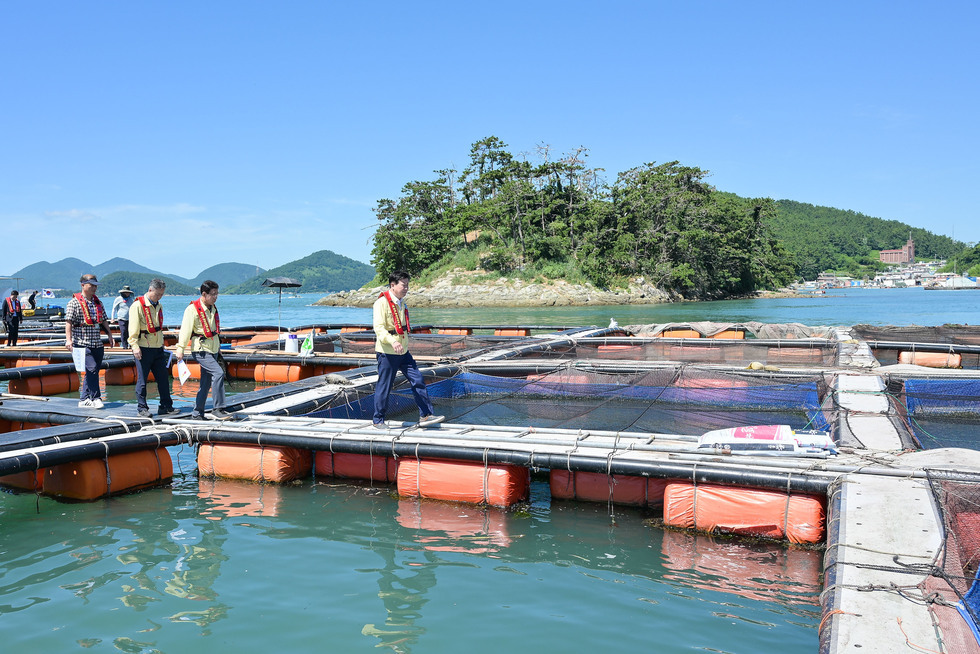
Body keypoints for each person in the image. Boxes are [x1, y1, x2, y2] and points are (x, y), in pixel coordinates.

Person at [372, 270, 444, 428]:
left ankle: (426, 415)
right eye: (403, 285)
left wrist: (401, 344)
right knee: (384, 385)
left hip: (403, 352)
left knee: (417, 379)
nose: (406, 288)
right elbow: (379, 328)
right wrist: (392, 342)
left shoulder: (401, 302)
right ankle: (378, 420)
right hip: (387, 352)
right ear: (393, 285)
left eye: (407, 285)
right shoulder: (381, 303)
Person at [175, 280, 230, 420]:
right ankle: (218, 408)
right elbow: (185, 330)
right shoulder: (192, 309)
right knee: (218, 373)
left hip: (212, 349)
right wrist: (180, 349)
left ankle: (197, 413)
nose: (215, 297)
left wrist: (218, 348)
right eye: (213, 294)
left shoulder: (213, 307)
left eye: (217, 294)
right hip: (200, 349)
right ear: (204, 294)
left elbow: (214, 331)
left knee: (205, 383)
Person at [129, 279, 180, 418]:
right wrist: (134, 346)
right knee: (142, 380)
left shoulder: (159, 305)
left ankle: (166, 406)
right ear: (150, 290)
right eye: (157, 294)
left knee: (163, 378)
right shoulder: (137, 306)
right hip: (143, 348)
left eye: (161, 295)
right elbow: (132, 329)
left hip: (158, 347)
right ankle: (142, 408)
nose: (159, 297)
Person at [65, 274, 115, 409]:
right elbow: (68, 322)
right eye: (91, 285)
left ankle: (84, 399)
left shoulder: (98, 302)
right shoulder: (74, 303)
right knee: (91, 368)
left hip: (97, 342)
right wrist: (68, 340)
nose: (94, 288)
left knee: (93, 370)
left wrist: (110, 335)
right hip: (81, 342)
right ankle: (96, 397)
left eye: (95, 286)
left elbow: (103, 320)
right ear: (83, 285)